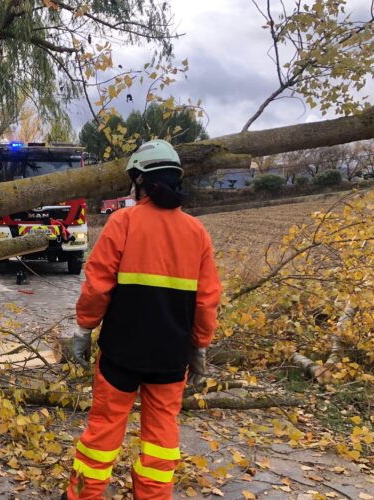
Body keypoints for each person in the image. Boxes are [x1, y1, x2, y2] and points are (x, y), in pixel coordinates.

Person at [64, 140, 222, 499]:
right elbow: (207, 300)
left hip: (120, 354)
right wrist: (199, 347)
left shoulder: (123, 222)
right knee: (162, 440)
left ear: (142, 181)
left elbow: (97, 287)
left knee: (102, 435)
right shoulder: (197, 233)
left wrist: (83, 329)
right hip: (170, 359)